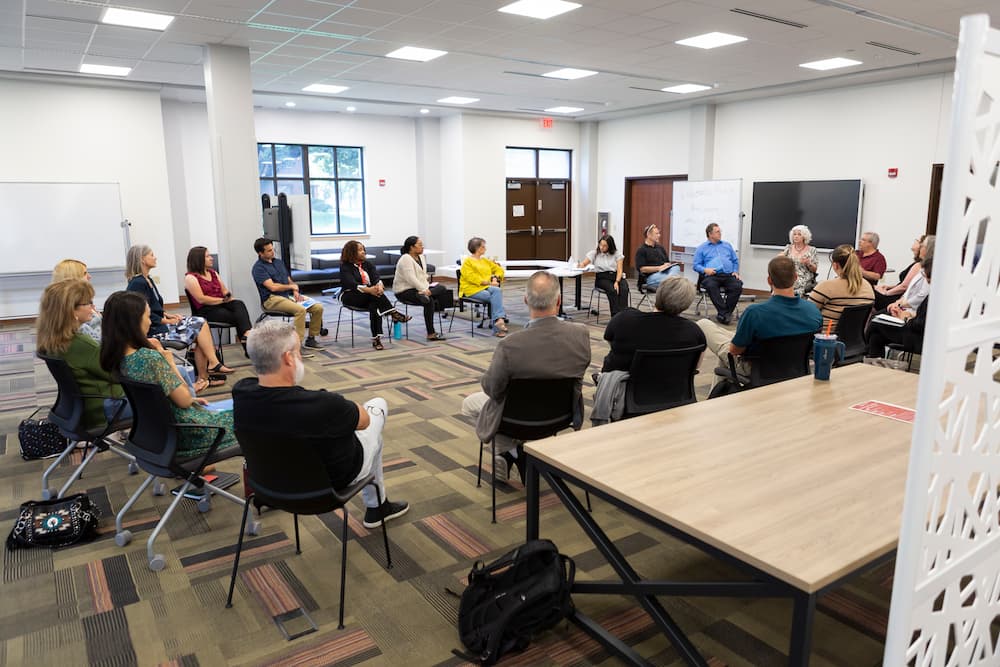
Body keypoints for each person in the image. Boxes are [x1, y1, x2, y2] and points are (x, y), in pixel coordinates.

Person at [232, 320, 409, 528]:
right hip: (329, 486)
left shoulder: (241, 393)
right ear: (289, 358)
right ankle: (377, 507)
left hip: (269, 487)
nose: (300, 357)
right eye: (298, 352)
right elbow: (364, 421)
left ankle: (378, 506)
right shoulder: (324, 405)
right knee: (378, 408)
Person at [461, 271, 590, 481]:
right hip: (562, 415)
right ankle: (520, 451)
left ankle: (512, 450)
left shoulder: (510, 345)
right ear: (558, 301)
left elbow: (492, 390)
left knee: (469, 404)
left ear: (525, 301)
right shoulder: (581, 334)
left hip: (515, 419)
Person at [99, 291, 239, 458]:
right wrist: (169, 362)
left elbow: (159, 398)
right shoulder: (149, 358)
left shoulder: (116, 357)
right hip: (188, 433)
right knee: (251, 414)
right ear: (134, 321)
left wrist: (190, 399)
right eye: (148, 317)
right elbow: (185, 400)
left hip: (156, 434)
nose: (150, 323)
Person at [125, 244, 233, 391]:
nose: (155, 257)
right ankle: (209, 370)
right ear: (142, 259)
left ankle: (206, 374)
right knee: (200, 325)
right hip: (154, 330)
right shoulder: (138, 283)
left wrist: (168, 314)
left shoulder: (147, 279)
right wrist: (167, 320)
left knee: (200, 326)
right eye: (151, 255)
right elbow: (142, 314)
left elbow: (154, 306)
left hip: (160, 323)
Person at [697, 256, 822, 378]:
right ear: (795, 277)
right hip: (796, 368)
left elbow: (735, 351)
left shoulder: (755, 313)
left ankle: (717, 395)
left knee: (704, 325)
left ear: (769, 280)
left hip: (758, 370)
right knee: (730, 344)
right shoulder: (813, 310)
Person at [36, 279, 129, 427]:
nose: (93, 307)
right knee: (165, 395)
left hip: (76, 409)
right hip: (106, 409)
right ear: (72, 310)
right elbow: (119, 375)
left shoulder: (52, 340)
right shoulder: (81, 344)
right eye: (88, 303)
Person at [601, 276, 705, 373]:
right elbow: (695, 366)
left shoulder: (623, 320)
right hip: (673, 390)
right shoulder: (694, 332)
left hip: (623, 389)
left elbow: (611, 342)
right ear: (686, 305)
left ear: (658, 293)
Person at [251, 237, 325, 355]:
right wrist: (291, 287)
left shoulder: (278, 262)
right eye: (269, 250)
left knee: (317, 307)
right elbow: (272, 287)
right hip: (271, 299)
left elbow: (289, 280)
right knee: (300, 310)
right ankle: (297, 346)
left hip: (286, 296)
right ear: (260, 253)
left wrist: (295, 290)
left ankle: (311, 339)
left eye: (272, 249)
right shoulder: (258, 268)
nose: (272, 252)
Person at [340, 240, 410, 351]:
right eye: (360, 250)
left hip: (371, 295)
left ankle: (377, 339)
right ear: (352, 252)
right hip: (351, 295)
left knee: (375, 306)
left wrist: (379, 286)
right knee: (375, 297)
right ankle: (393, 312)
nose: (363, 252)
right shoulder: (345, 267)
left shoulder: (368, 264)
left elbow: (376, 278)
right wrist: (369, 290)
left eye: (363, 249)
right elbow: (351, 284)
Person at [183, 246, 252, 346]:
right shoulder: (190, 277)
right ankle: (248, 345)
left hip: (221, 304)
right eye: (208, 256)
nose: (212, 258)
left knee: (238, 303)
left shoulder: (213, 273)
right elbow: (201, 299)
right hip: (206, 310)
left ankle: (247, 335)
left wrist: (228, 296)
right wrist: (222, 300)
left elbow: (224, 291)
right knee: (239, 317)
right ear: (199, 259)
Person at [866, 257, 932, 361]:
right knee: (876, 334)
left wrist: (905, 318)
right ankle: (873, 361)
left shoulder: (935, 295)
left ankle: (867, 355)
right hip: (915, 327)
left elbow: (920, 324)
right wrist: (907, 314)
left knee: (876, 323)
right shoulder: (936, 293)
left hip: (918, 337)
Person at [391, 236, 449, 342]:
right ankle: (431, 333)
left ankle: (425, 294)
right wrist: (424, 289)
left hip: (421, 289)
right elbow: (411, 279)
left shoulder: (421, 257)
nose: (422, 247)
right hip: (404, 290)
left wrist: (426, 289)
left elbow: (423, 276)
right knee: (429, 301)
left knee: (442, 288)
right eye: (420, 245)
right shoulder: (405, 259)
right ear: (411, 247)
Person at [808, 245, 874, 327]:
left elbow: (807, 314)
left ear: (835, 265)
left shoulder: (826, 287)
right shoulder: (867, 286)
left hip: (825, 337)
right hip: (855, 338)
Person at [693, 223, 743, 324]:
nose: (720, 233)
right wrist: (705, 270)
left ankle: (724, 314)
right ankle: (725, 313)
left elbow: (735, 261)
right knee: (711, 285)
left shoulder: (727, 245)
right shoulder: (701, 248)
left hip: (728, 275)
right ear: (710, 234)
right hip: (712, 275)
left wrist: (735, 271)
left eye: (720, 231)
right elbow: (696, 265)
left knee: (738, 285)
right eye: (717, 232)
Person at [459, 237, 508, 337]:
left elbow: (499, 270)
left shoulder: (485, 260)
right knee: (495, 297)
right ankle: (499, 323)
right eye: (483, 246)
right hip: (470, 289)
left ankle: (499, 321)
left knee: (497, 291)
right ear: (478, 248)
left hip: (485, 287)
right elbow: (472, 278)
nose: (485, 248)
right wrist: (489, 282)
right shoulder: (467, 262)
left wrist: (495, 277)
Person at [578, 235, 629, 316]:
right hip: (602, 278)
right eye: (600, 244)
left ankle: (623, 314)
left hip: (616, 276)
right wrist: (580, 265)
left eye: (605, 246)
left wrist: (617, 281)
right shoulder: (594, 253)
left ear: (610, 246)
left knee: (624, 288)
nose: (602, 247)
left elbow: (620, 270)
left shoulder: (617, 254)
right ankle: (615, 315)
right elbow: (584, 263)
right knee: (612, 290)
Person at [52, 258, 101, 341]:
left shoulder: (57, 307)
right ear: (73, 278)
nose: (89, 276)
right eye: (85, 273)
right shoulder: (72, 315)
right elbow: (96, 344)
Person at [873, 235, 925, 310]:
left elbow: (904, 287)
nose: (912, 246)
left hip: (897, 297)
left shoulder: (918, 265)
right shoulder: (917, 264)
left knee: (871, 292)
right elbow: (905, 283)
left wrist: (886, 293)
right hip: (896, 294)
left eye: (916, 241)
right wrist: (889, 287)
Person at [634, 225, 681, 292]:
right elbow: (642, 269)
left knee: (676, 267)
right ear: (649, 235)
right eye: (656, 233)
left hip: (664, 273)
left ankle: (671, 282)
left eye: (659, 233)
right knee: (674, 280)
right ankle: (673, 282)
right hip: (650, 277)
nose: (659, 235)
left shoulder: (660, 248)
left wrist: (667, 265)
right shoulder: (641, 250)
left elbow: (667, 262)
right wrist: (659, 268)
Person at [779, 224, 818, 296]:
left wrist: (808, 263)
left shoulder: (812, 250)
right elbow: (780, 261)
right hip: (789, 274)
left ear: (804, 236)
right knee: (779, 281)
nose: (796, 236)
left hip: (804, 276)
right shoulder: (788, 248)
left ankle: (794, 301)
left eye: (799, 234)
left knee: (796, 283)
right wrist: (780, 258)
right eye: (794, 234)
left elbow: (814, 270)